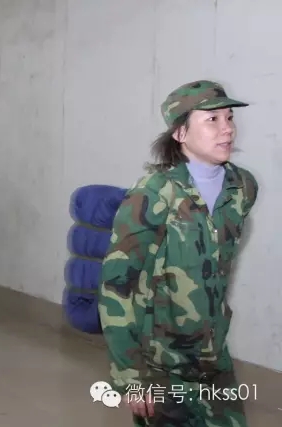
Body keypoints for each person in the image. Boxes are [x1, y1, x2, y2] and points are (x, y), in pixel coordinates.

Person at [97, 80, 259, 427]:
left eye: (229, 118)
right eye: (212, 120)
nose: (227, 129)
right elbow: (117, 286)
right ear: (180, 133)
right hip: (161, 365)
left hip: (214, 360)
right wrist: (130, 375)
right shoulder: (153, 194)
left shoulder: (242, 188)